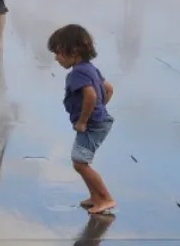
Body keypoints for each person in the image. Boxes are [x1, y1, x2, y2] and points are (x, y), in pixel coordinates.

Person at [47, 24, 115, 216]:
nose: (56, 58)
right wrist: (100, 109)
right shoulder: (90, 68)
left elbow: (91, 96)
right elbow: (108, 89)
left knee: (80, 163)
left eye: (58, 52)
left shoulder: (77, 73)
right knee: (80, 161)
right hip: (99, 122)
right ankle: (95, 196)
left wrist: (84, 120)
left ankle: (105, 198)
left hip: (91, 126)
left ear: (74, 51)